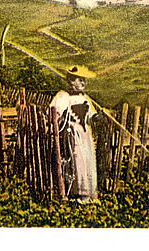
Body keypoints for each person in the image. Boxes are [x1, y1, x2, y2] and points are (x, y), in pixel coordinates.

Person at [50, 65, 100, 202]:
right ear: (72, 81)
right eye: (80, 80)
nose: (83, 83)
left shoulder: (85, 98)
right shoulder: (63, 96)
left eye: (84, 80)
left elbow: (90, 114)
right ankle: (77, 192)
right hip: (72, 134)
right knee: (77, 160)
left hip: (85, 134)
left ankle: (89, 191)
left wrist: (95, 117)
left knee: (88, 159)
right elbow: (55, 114)